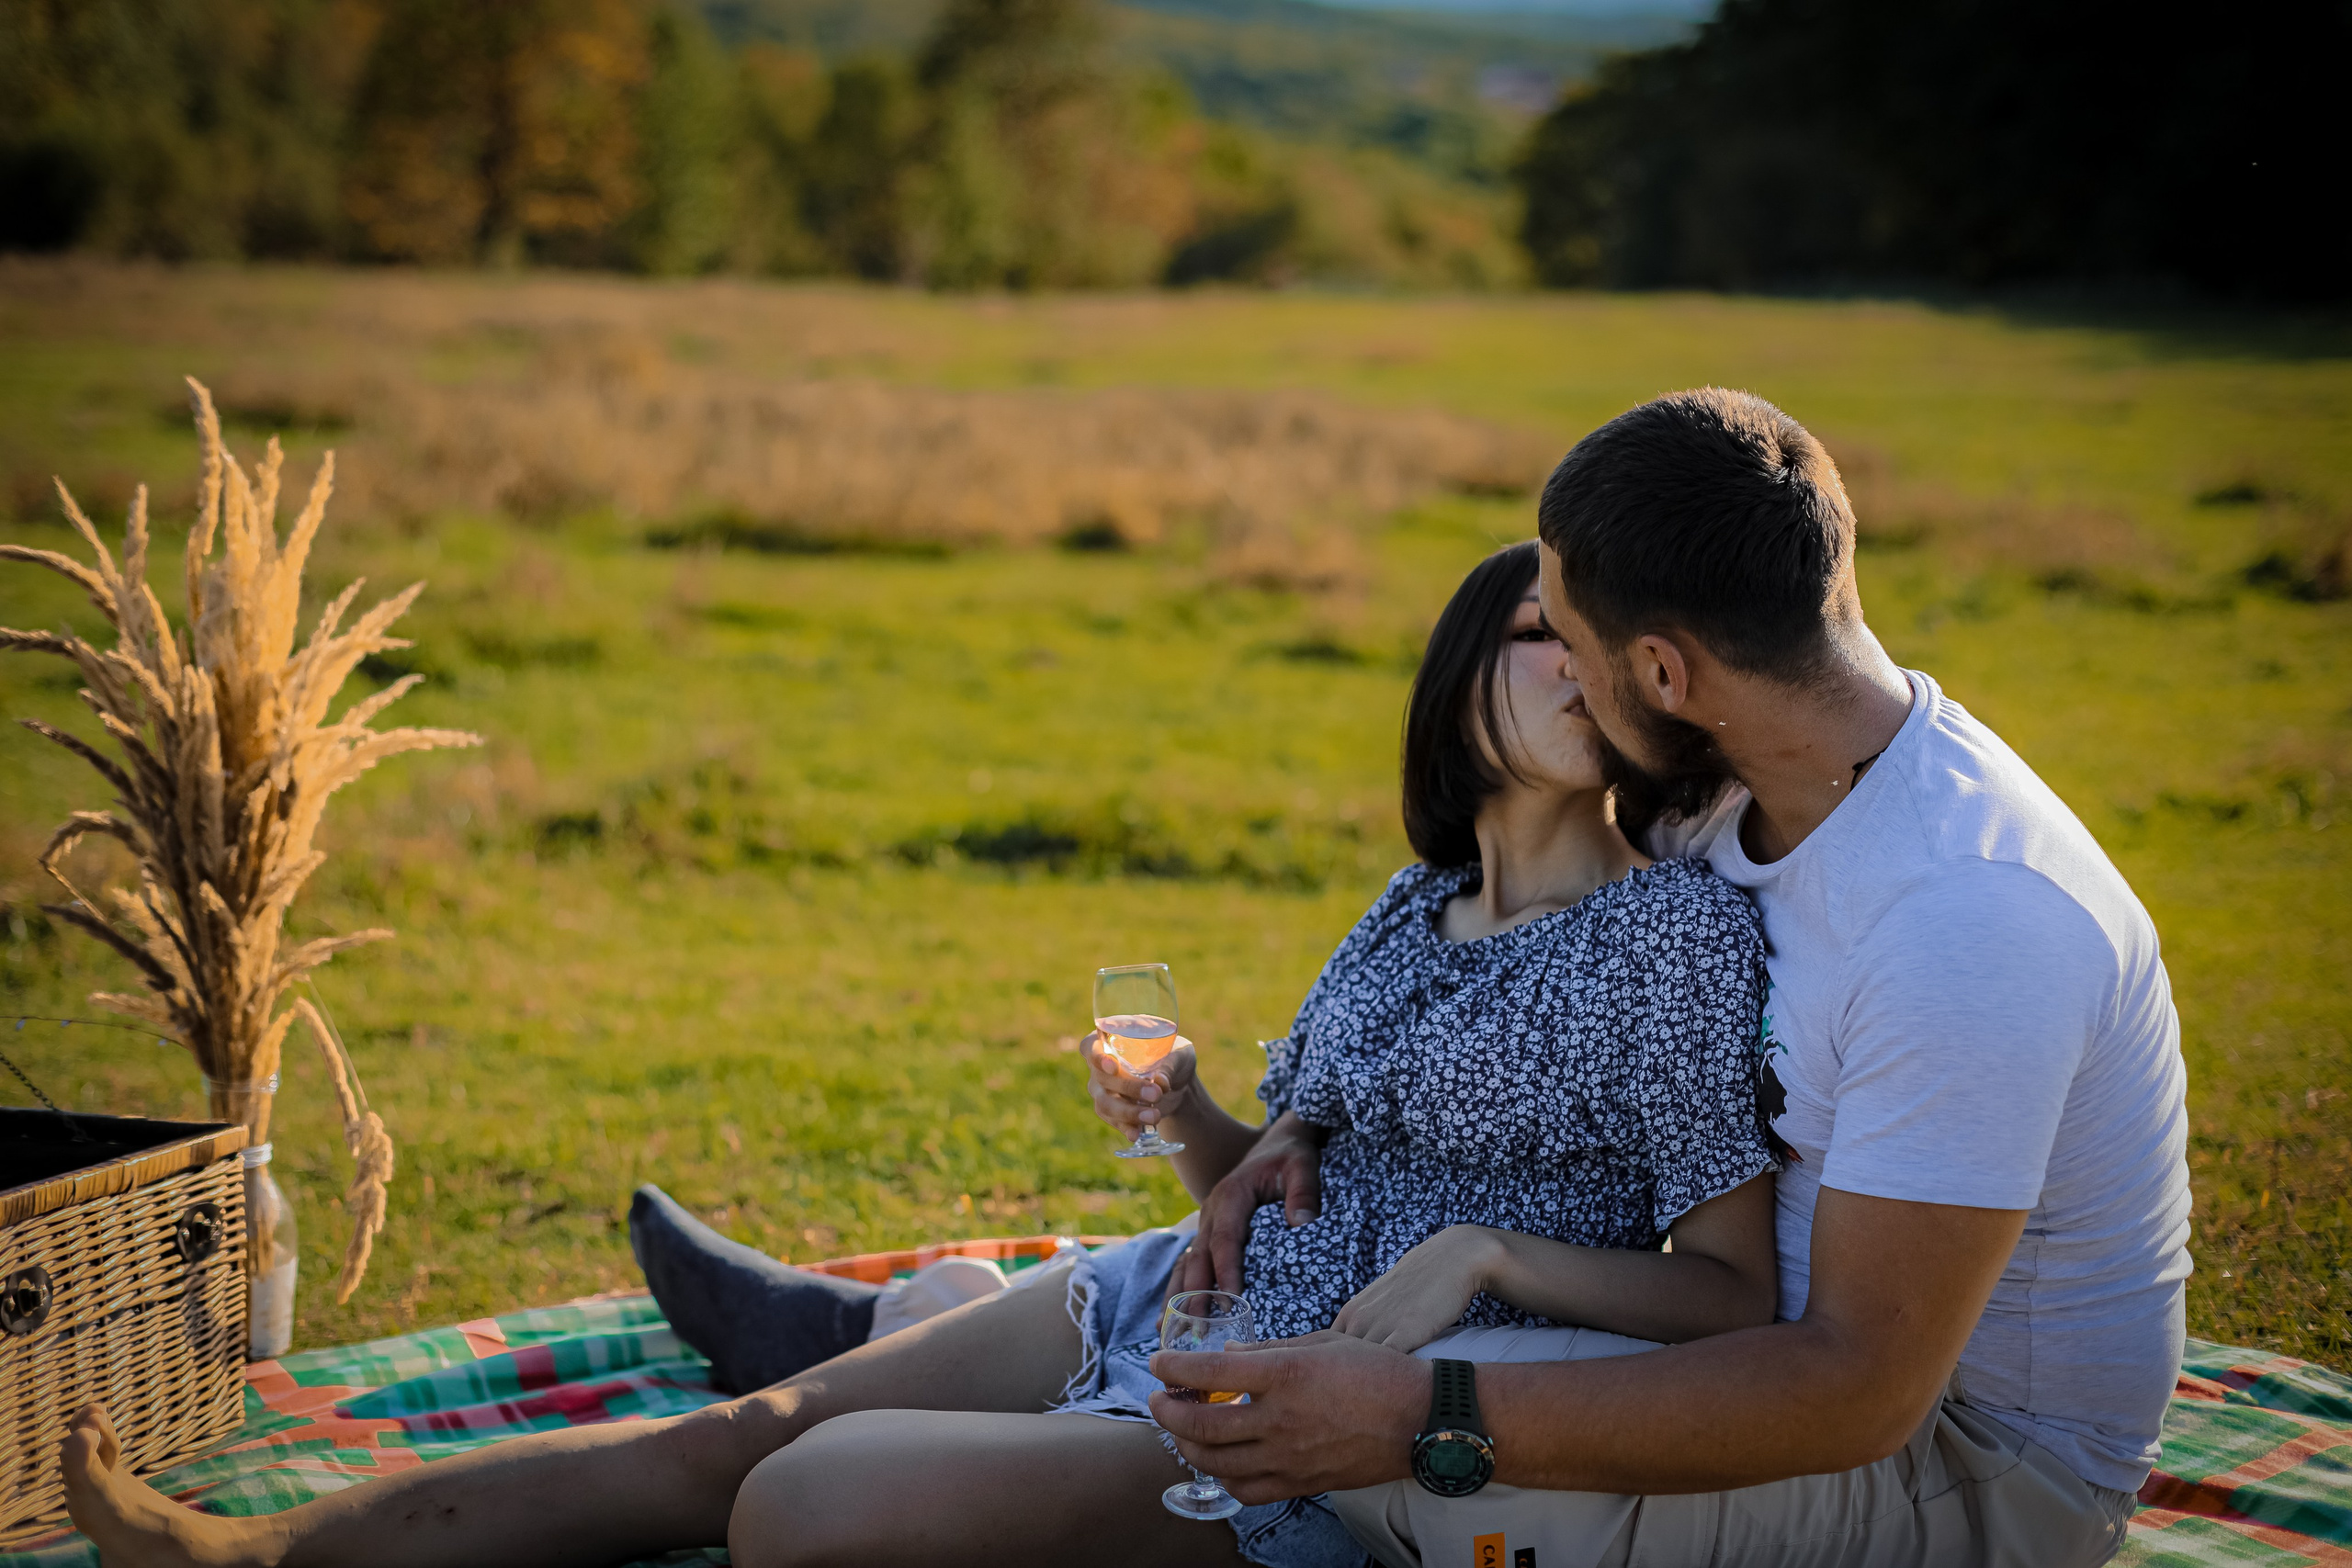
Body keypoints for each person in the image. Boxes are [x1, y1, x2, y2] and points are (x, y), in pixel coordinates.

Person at [58, 541, 1778, 1568]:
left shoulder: (1673, 939)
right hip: (1170, 1294)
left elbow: (1730, 1298)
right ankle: (261, 1548)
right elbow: (1271, 1180)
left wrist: (1477, 1252)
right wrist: (1189, 1118)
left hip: (1310, 1424)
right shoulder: (1409, 909)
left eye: (1593, 634)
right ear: (1464, 670)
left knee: (801, 1510)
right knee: (744, 1434)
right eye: (1532, 623)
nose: (1568, 656)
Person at [1150, 388, 2191, 1568]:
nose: (1571, 695)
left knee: (1387, 1442)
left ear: (1657, 671)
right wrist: (1298, 1126)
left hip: (1975, 1463)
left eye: (1575, 653)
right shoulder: (1730, 786)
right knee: (1324, 1387)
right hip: (1760, 1355)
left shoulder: (1969, 916)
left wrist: (1418, 1418)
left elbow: (1859, 1394)